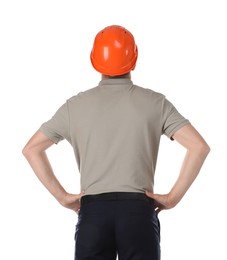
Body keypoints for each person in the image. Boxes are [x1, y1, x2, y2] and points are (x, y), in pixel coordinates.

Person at [22, 25, 210, 260]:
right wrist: (172, 198)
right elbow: (199, 147)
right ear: (134, 59)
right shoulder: (155, 103)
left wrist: (62, 197)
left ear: (94, 60)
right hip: (139, 212)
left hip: (93, 214)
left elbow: (32, 149)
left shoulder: (74, 106)